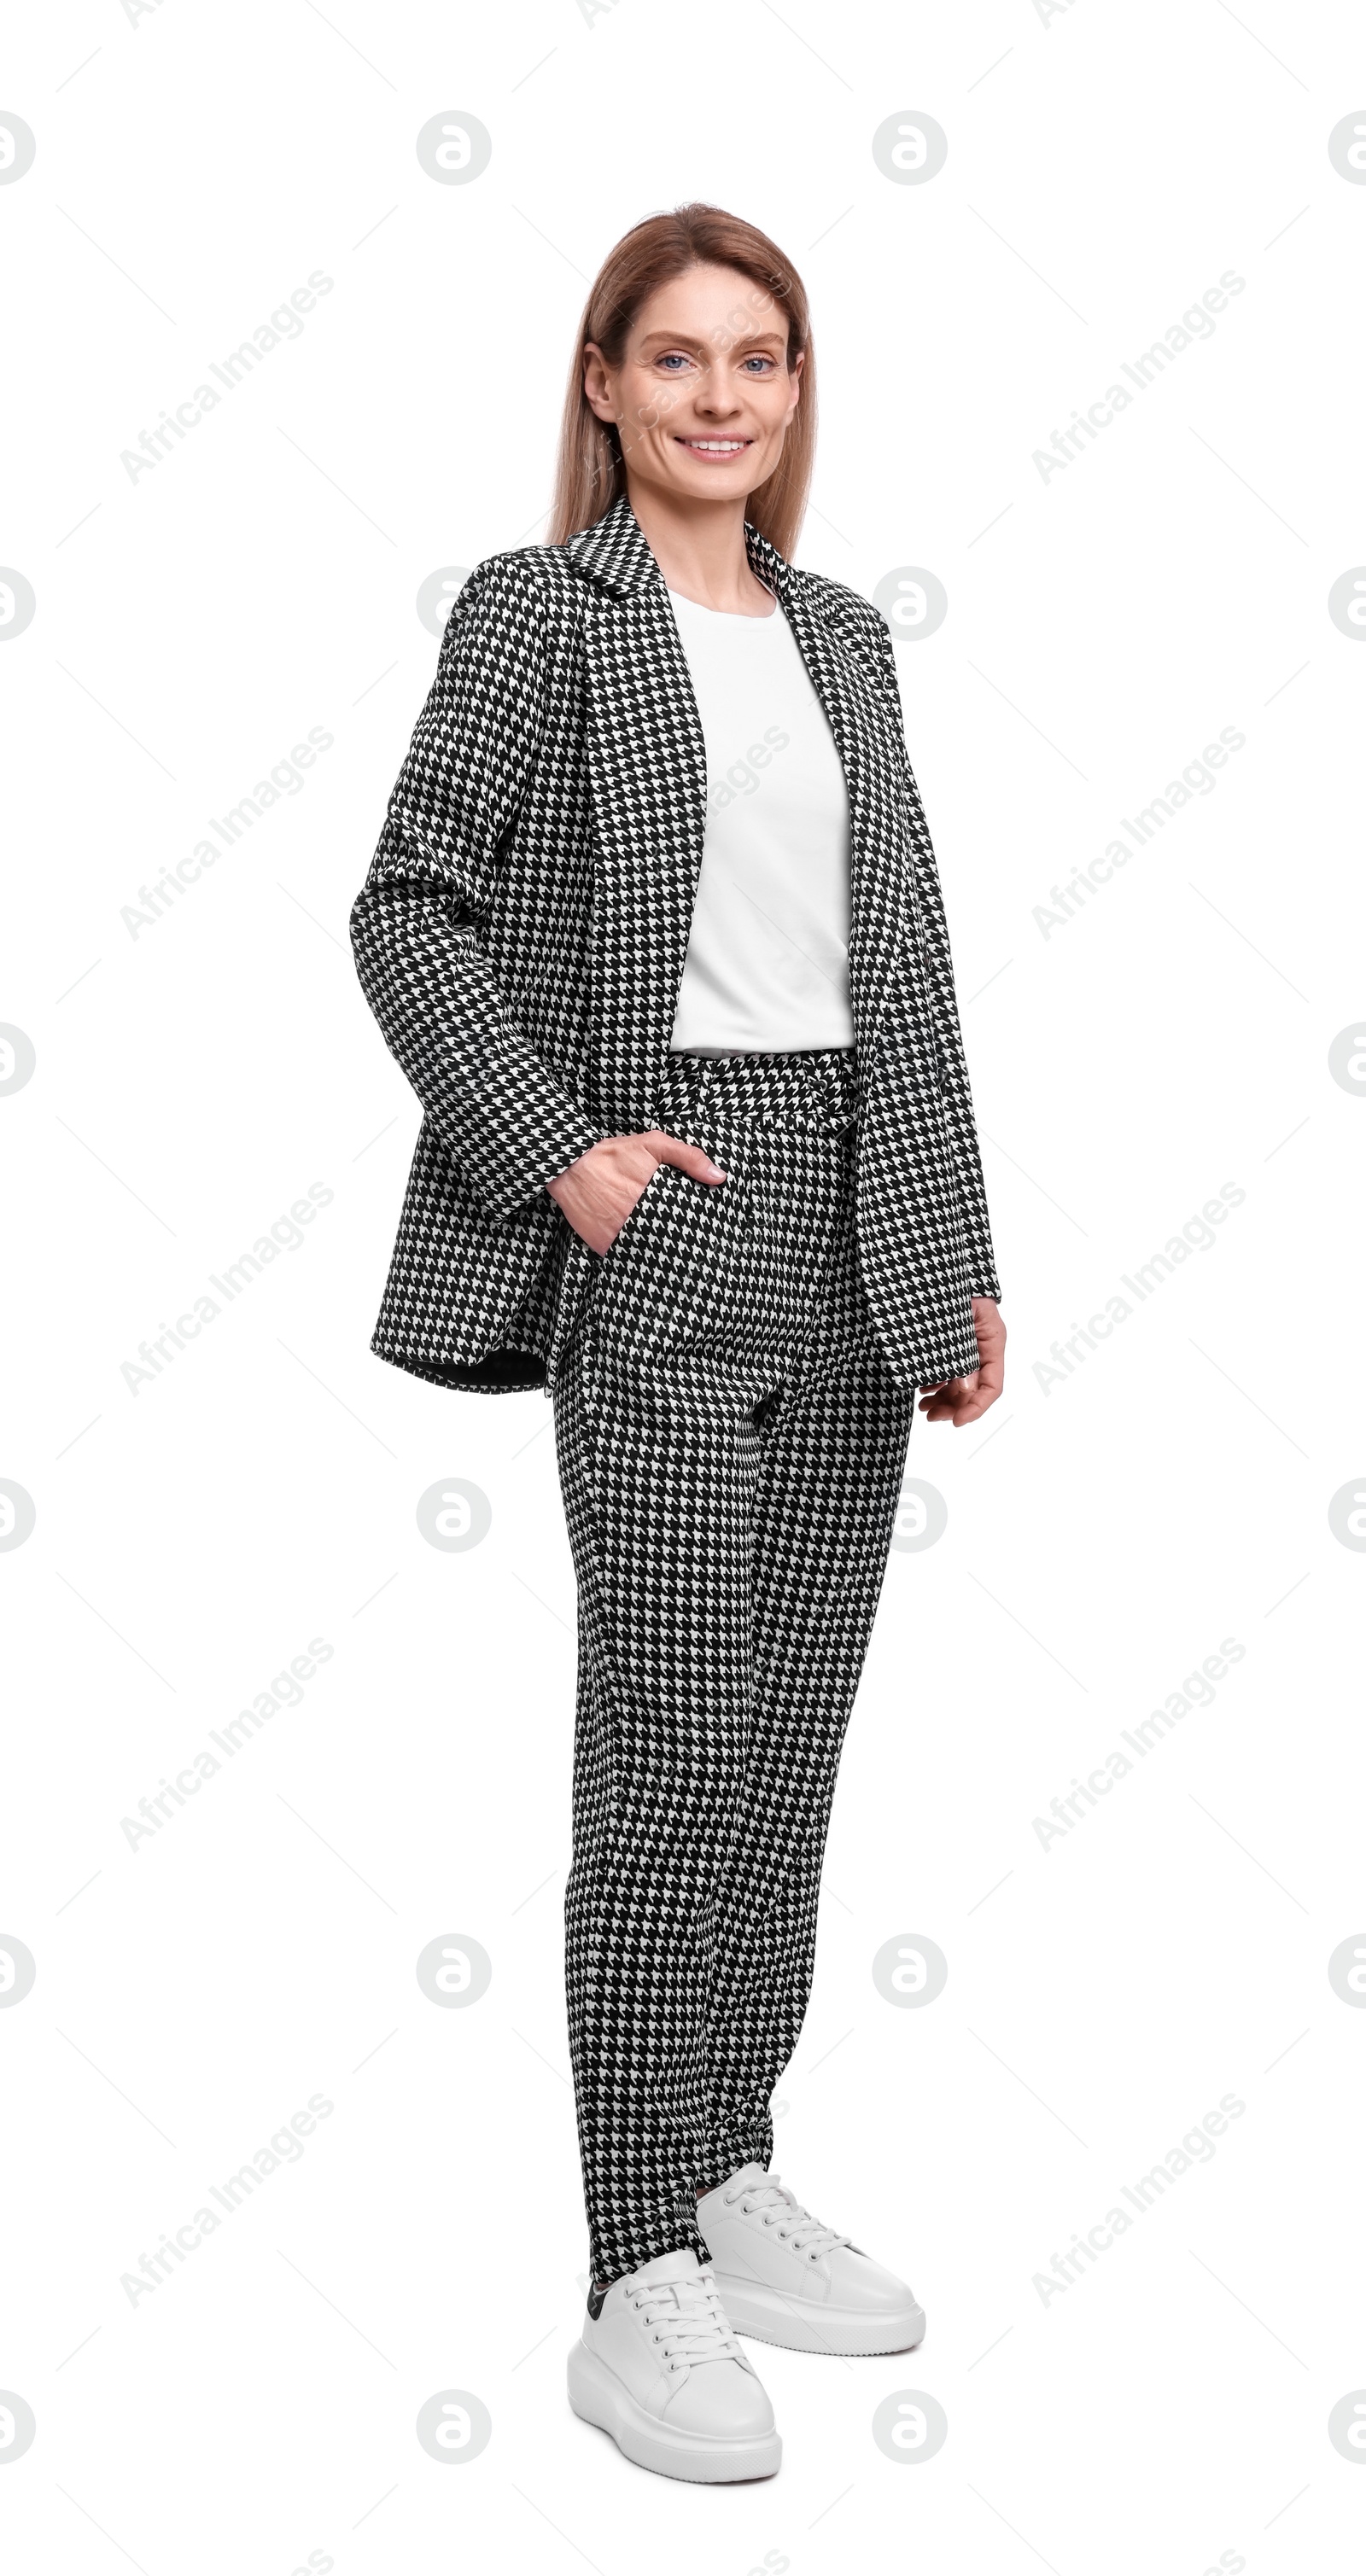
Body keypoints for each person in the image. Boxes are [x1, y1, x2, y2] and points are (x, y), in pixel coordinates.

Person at [351, 201, 1004, 2486]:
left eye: (765, 358)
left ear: (794, 396)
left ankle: (727, 2158)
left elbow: (905, 959)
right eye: (682, 356)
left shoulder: (844, 640)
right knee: (670, 1729)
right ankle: (636, 2265)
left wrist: (960, 1253)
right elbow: (406, 903)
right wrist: (569, 1157)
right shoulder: (541, 619)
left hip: (849, 1213)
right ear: (608, 386)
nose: (726, 392)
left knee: (791, 1735)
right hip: (664, 1210)